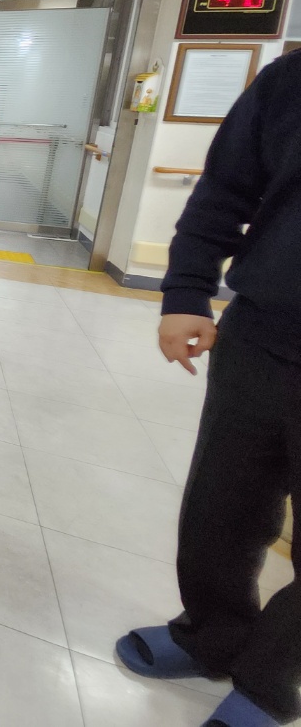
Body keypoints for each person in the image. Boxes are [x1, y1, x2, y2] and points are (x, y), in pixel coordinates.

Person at [116, 48, 301, 727]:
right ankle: (211, 634)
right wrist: (188, 289)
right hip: (263, 333)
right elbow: (226, 188)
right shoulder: (291, 81)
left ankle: (269, 681)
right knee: (222, 508)